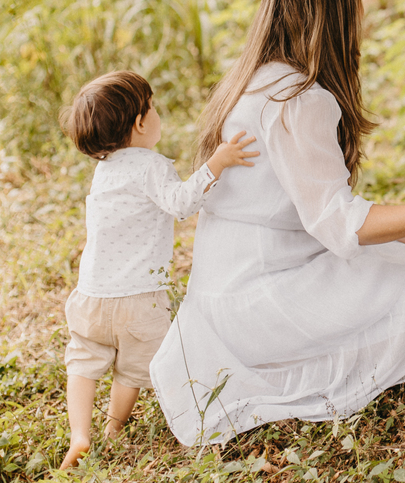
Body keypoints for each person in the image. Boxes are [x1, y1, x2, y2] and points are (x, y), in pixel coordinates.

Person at [149, 0, 405, 447]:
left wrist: (403, 227)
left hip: (223, 294)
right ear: (337, 10)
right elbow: (338, 222)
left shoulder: (252, 81)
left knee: (400, 255)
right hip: (256, 302)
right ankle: (295, 375)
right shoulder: (298, 98)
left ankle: (284, 357)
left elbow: (310, 203)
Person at [58, 71, 258, 468]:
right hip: (140, 301)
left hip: (91, 296)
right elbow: (181, 203)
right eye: (153, 107)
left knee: (83, 362)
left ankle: (80, 435)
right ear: (141, 122)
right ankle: (114, 427)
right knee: (131, 371)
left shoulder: (105, 170)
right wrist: (216, 164)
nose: (156, 114)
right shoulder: (150, 165)